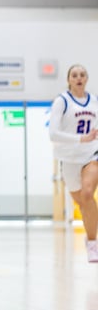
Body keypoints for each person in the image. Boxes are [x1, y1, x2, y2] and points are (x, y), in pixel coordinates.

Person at [49, 64, 98, 263]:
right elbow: (53, 134)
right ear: (69, 79)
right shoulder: (62, 101)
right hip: (69, 158)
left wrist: (89, 140)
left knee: (88, 194)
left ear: (87, 78)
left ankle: (93, 244)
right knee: (83, 203)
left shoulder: (94, 100)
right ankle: (91, 234)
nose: (79, 78)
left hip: (91, 154)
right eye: (74, 75)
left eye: (82, 75)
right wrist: (80, 139)